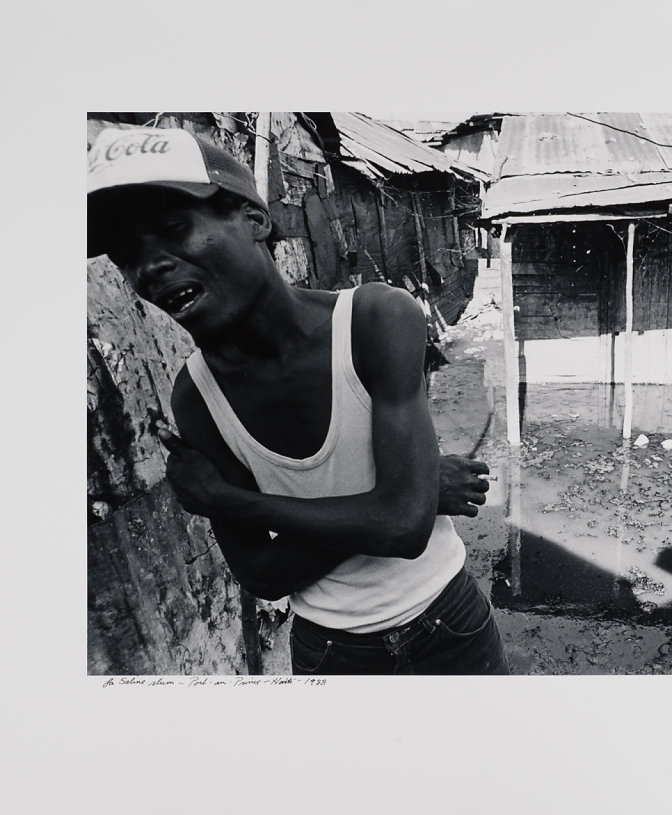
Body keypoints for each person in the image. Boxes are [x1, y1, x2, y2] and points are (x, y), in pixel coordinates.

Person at [87, 126, 509, 675]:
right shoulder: (198, 399)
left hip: (450, 623)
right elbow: (262, 575)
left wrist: (233, 502)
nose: (150, 268)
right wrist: (416, 492)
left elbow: (403, 531)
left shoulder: (376, 321)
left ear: (255, 219)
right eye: (127, 257)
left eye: (174, 229)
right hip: (333, 651)